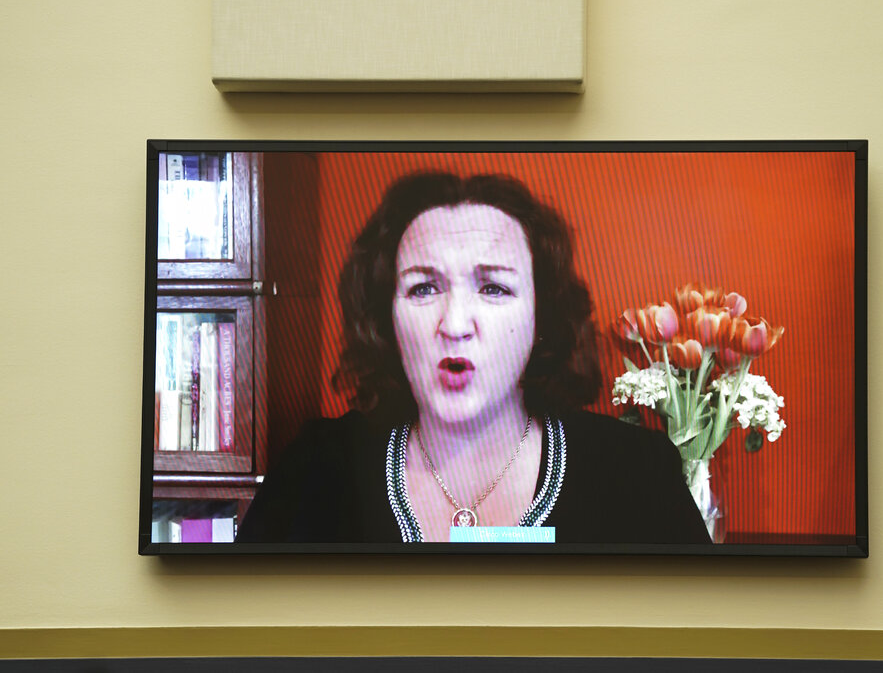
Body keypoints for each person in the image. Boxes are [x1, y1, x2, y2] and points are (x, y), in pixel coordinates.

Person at [236, 171, 711, 545]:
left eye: (493, 287)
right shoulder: (314, 470)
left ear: (540, 318)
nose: (456, 323)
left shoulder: (634, 472)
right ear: (387, 320)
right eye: (423, 287)